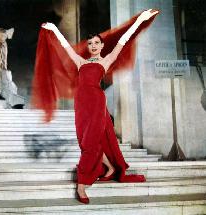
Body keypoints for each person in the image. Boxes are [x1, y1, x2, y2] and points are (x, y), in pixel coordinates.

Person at [32, 9, 159, 204]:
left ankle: (82, 185)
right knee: (86, 142)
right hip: (81, 103)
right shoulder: (81, 62)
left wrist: (139, 20)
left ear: (101, 45)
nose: (92, 46)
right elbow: (65, 47)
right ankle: (108, 168)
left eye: (96, 43)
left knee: (90, 142)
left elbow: (123, 41)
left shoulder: (106, 60)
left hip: (97, 102)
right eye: (90, 43)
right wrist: (54, 30)